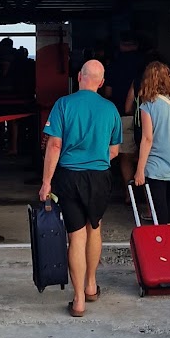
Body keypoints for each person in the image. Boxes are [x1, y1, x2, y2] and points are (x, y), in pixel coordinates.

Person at [39, 59, 122, 317]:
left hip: (69, 176)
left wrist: (46, 183)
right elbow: (114, 151)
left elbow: (54, 146)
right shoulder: (110, 109)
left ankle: (78, 301)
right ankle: (91, 285)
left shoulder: (63, 104)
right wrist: (95, 161)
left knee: (76, 235)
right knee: (94, 227)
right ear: (101, 82)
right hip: (99, 177)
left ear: (79, 76)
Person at [133, 60, 170, 225]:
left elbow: (147, 138)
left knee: (159, 208)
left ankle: (163, 244)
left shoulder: (147, 106)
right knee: (169, 204)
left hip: (159, 164)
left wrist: (140, 170)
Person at [104, 33, 146, 192]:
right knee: (147, 153)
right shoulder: (144, 66)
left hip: (122, 115)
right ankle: (146, 192)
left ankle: (130, 194)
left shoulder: (113, 66)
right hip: (147, 116)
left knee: (126, 156)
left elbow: (108, 93)